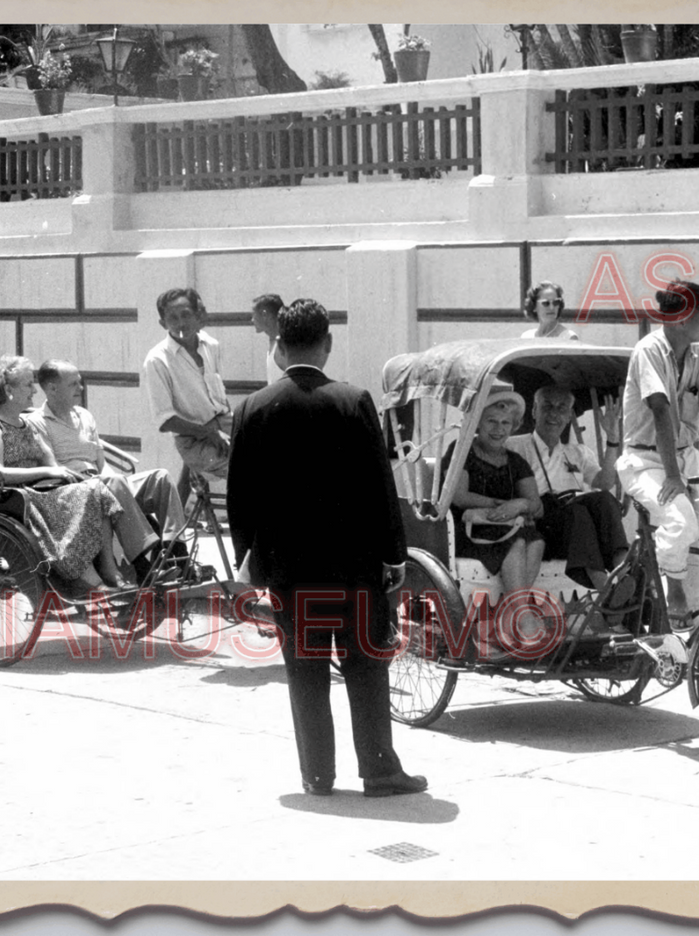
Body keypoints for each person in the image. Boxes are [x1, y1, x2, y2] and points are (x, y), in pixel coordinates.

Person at [226, 298, 425, 798]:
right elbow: (379, 486)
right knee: (365, 664)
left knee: (306, 670)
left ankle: (317, 774)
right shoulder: (353, 400)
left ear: (278, 345)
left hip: (290, 572)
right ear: (327, 342)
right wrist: (394, 555)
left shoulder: (252, 408)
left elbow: (239, 497)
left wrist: (248, 559)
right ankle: (379, 771)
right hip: (353, 566)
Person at [617, 279, 699, 623]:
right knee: (680, 522)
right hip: (645, 461)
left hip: (686, 457)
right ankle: (671, 591)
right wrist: (674, 477)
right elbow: (661, 412)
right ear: (682, 319)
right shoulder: (648, 350)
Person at [0, 356, 133, 591]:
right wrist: (49, 470)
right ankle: (86, 577)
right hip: (14, 497)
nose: (34, 390)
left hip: (39, 489)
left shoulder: (25, 424)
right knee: (84, 495)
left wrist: (63, 472)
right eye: (28, 384)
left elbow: (51, 460)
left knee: (96, 490)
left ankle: (108, 567)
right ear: (8, 390)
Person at [29, 359, 187, 579]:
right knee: (114, 484)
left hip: (104, 483)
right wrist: (110, 483)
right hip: (75, 490)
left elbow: (102, 462)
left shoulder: (85, 416)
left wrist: (115, 479)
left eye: (80, 382)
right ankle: (145, 565)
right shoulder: (36, 422)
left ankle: (178, 555)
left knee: (161, 477)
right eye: (73, 384)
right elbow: (52, 469)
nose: (81, 388)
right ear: (52, 388)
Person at [506, 386, 628, 590]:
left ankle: (624, 575)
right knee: (577, 511)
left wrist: (613, 438)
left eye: (562, 408)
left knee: (604, 499)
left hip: (578, 524)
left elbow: (605, 482)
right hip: (542, 524)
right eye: (547, 406)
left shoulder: (578, 452)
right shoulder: (515, 446)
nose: (554, 413)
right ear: (534, 411)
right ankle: (605, 590)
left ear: (569, 416)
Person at [444, 382, 545, 600]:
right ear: (478, 423)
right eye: (491, 421)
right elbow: (460, 497)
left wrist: (520, 504)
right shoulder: (462, 450)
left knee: (536, 541)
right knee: (518, 542)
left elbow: (535, 505)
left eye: (505, 423)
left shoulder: (516, 461)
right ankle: (521, 618)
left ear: (513, 426)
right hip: (467, 530)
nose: (498, 429)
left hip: (503, 527)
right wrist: (503, 506)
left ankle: (511, 615)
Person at [143, 288, 233, 502]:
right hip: (193, 440)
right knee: (247, 472)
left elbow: (218, 395)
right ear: (163, 324)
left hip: (224, 425)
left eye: (185, 314)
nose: (181, 323)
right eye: (172, 318)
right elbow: (165, 421)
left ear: (197, 315)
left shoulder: (211, 345)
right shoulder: (157, 360)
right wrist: (209, 433)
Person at [251, 293, 286, 384]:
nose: (252, 320)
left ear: (264, 315)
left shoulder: (284, 346)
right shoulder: (274, 343)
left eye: (253, 314)